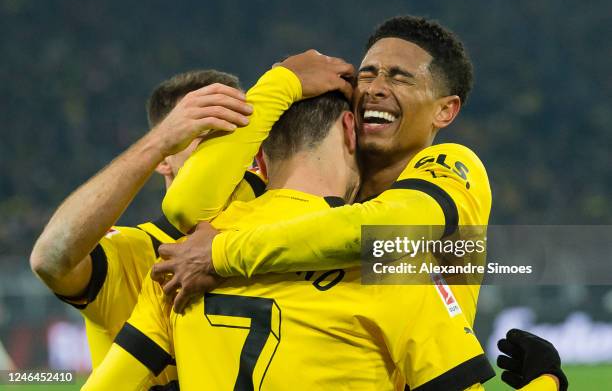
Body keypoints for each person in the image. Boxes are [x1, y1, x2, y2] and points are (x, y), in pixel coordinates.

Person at [82, 77, 496, 390]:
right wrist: (546, 380)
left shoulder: (179, 263)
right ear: (351, 130)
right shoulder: (387, 263)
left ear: (259, 154)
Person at [156, 16, 490, 330]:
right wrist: (282, 83)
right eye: (367, 74)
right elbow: (186, 207)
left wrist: (223, 254)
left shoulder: (454, 169)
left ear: (445, 110)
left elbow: (386, 229)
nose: (375, 88)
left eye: (400, 77)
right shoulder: (309, 183)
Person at [30, 69, 254, 388]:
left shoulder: (269, 240)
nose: (227, 152)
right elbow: (49, 259)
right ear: (165, 160)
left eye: (238, 135)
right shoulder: (134, 252)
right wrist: (159, 141)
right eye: (206, 135)